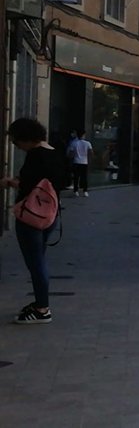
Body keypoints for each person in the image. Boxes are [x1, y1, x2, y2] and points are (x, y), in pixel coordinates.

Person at [2, 119, 66, 323]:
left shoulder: (35, 155)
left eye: (16, 141)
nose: (16, 146)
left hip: (31, 216)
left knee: (36, 263)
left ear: (25, 138)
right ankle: (40, 303)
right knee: (39, 259)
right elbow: (64, 181)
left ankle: (41, 308)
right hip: (50, 214)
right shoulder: (55, 152)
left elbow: (27, 184)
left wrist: (9, 182)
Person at [67, 130, 93, 197]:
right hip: (84, 162)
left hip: (76, 162)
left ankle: (76, 191)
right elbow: (91, 153)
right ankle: (85, 191)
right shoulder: (88, 143)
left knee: (76, 177)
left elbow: (71, 154)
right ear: (83, 135)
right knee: (84, 177)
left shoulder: (74, 143)